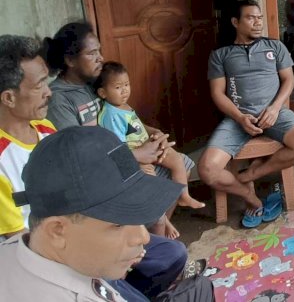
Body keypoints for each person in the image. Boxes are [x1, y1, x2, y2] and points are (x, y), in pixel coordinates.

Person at [41, 22, 190, 299]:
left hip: (119, 160)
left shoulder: (92, 85)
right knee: (153, 189)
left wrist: (150, 136)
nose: (99, 58)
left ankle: (154, 246)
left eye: (99, 51)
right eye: (91, 53)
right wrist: (136, 154)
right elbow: (78, 153)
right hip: (100, 176)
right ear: (70, 60)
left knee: (179, 164)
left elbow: (122, 114)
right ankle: (148, 252)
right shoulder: (60, 100)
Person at [0, 126, 208, 301]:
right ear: (57, 230)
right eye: (118, 223)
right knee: (200, 290)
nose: (143, 236)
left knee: (172, 255)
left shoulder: (22, 248)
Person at [198, 0, 294, 229]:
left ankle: (250, 174)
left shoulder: (275, 47)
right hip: (236, 119)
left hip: (275, 114)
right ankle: (250, 197)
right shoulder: (221, 55)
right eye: (251, 18)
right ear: (235, 22)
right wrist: (240, 117)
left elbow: (289, 80)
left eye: (259, 17)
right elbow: (218, 93)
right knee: (207, 170)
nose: (258, 22)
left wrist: (274, 108)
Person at [95, 61, 205, 239]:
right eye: (118, 87)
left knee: (177, 159)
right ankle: (165, 222)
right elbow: (118, 147)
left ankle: (184, 195)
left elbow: (138, 126)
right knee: (153, 185)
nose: (124, 91)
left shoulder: (124, 106)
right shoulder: (110, 115)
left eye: (126, 85)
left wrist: (155, 133)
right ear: (102, 92)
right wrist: (139, 161)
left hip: (149, 146)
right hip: (138, 157)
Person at [0, 35, 54, 240]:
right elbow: (16, 238)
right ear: (9, 98)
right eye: (39, 85)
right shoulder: (2, 160)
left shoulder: (46, 129)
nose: (49, 92)